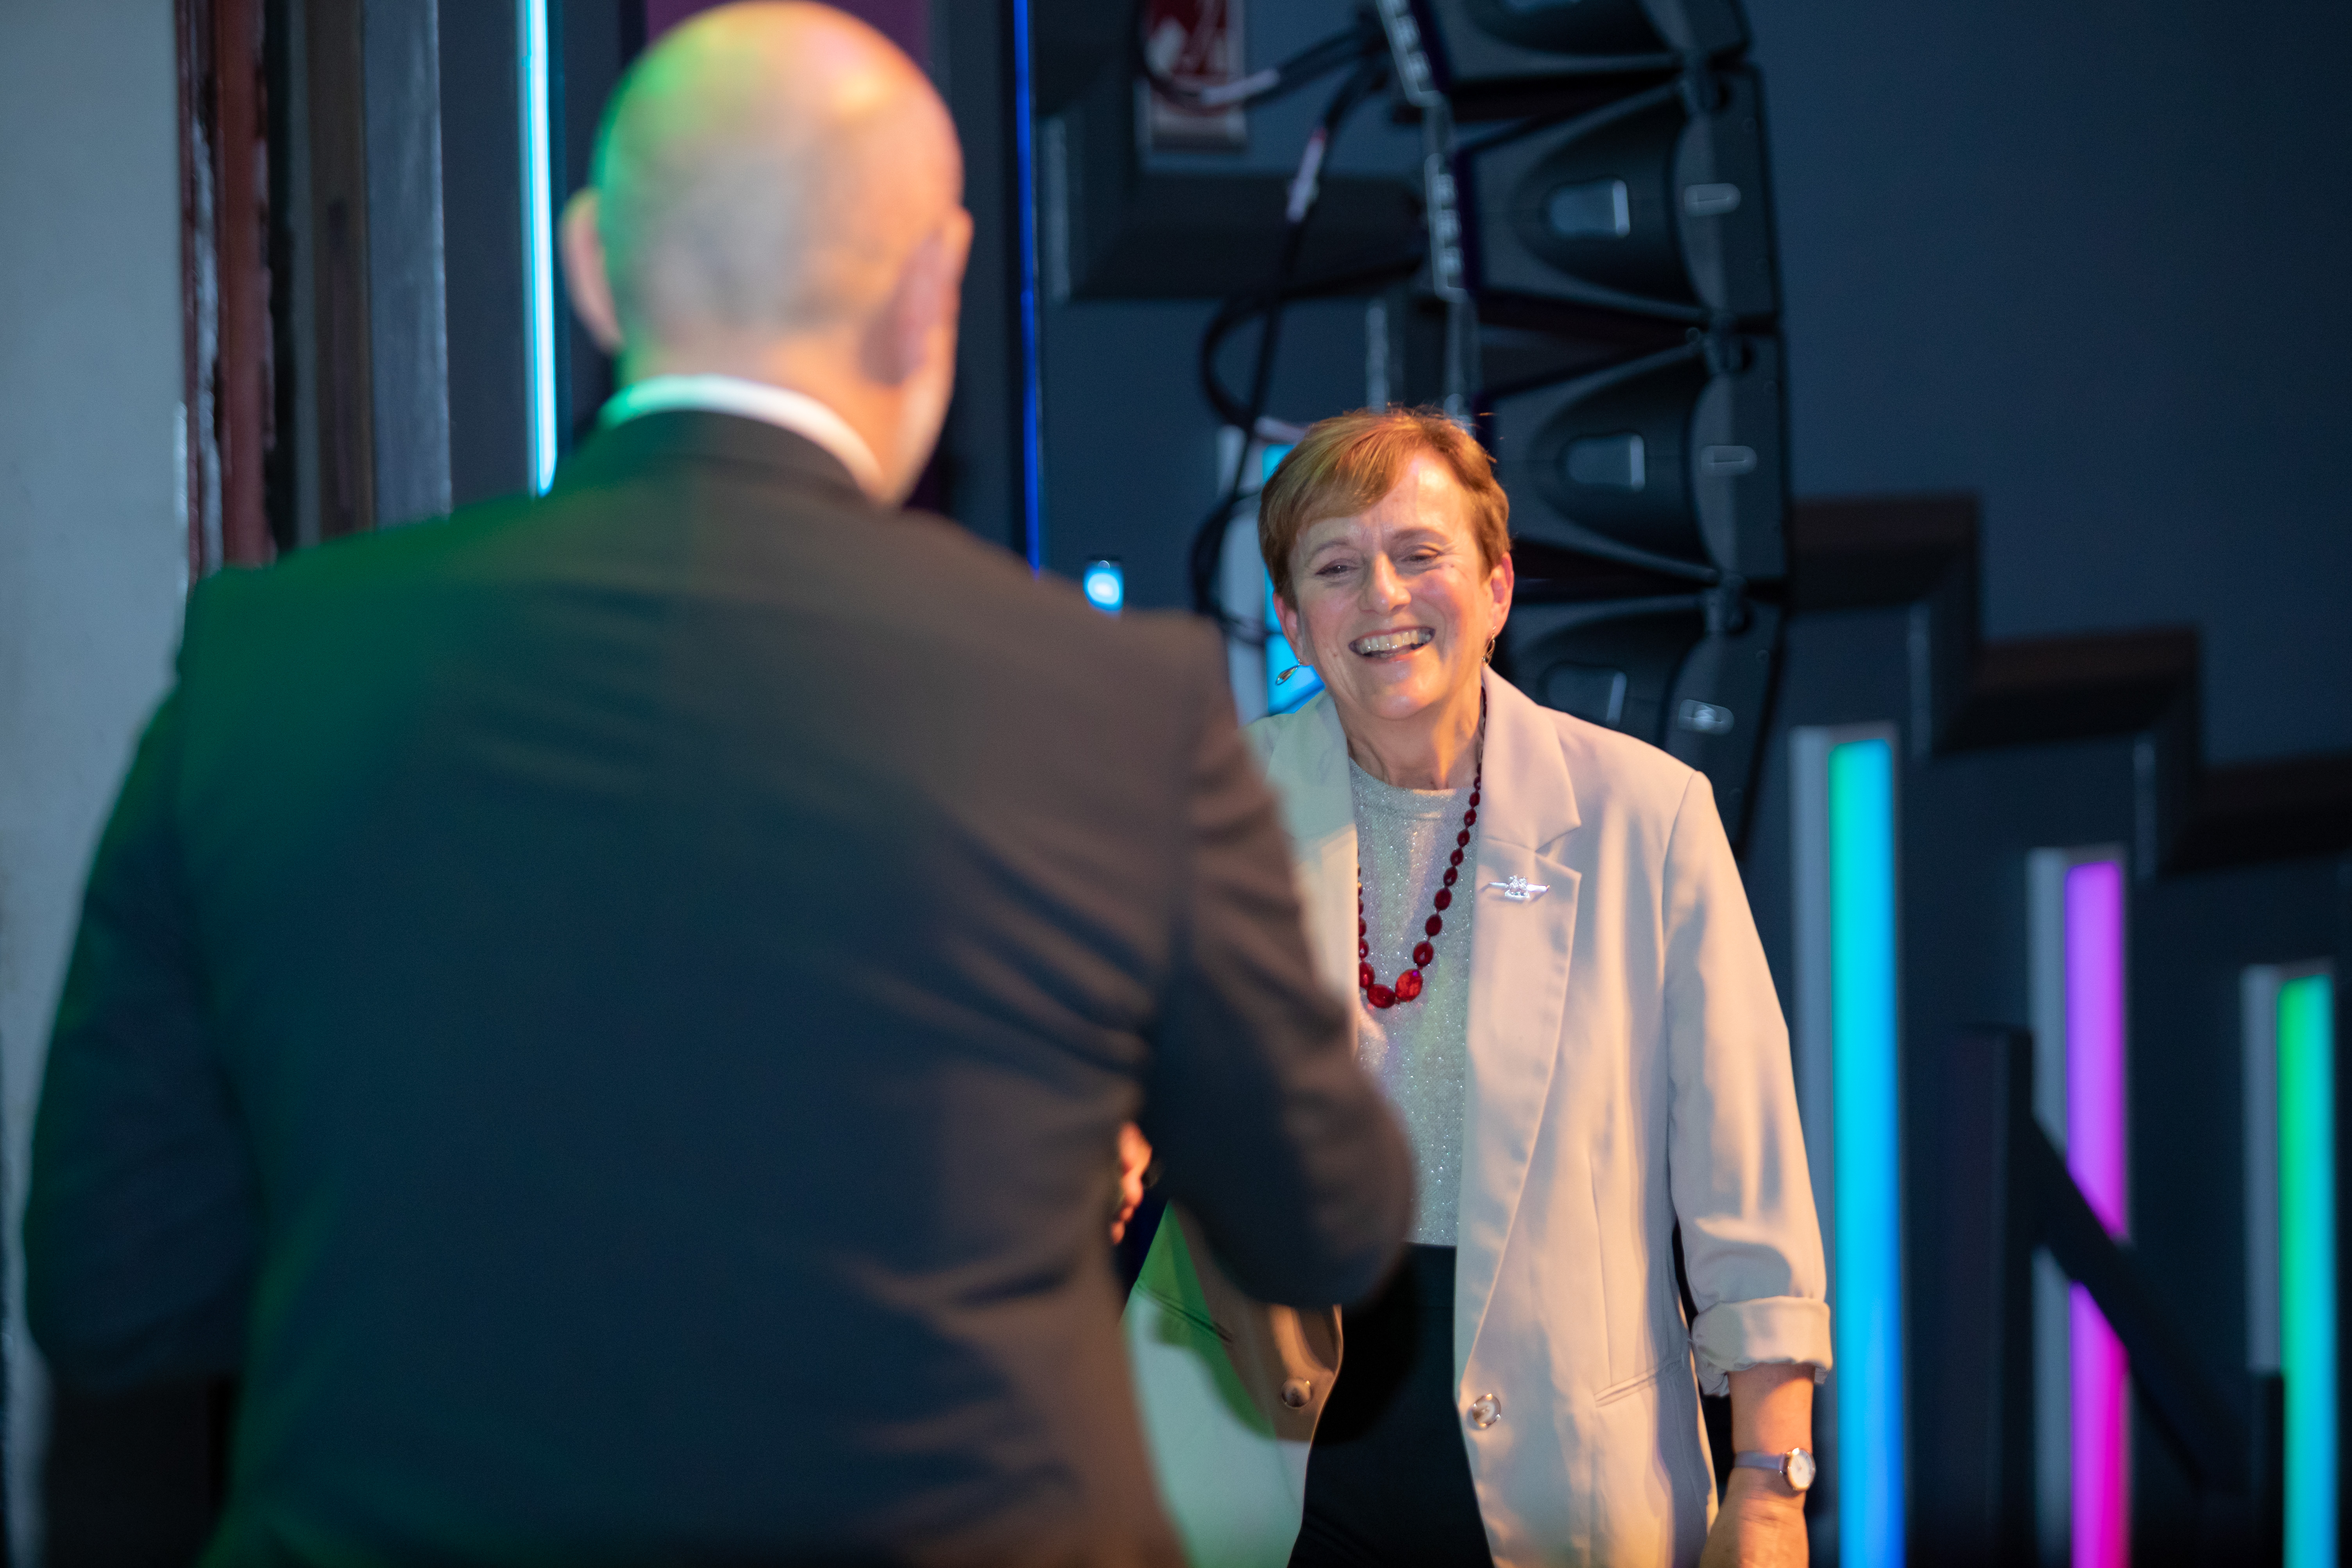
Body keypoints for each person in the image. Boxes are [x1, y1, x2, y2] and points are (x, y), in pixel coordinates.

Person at [24, 7, 1412, 1563]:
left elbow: (115, 1287)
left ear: (591, 268)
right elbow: (1328, 1223)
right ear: (933, 288)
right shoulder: (1114, 707)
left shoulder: (265, 666)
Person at [1123, 409, 1830, 1568]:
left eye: (1420, 554)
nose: (1383, 596)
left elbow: (1742, 1176)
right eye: (1335, 568)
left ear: (1497, 588)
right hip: (1253, 1451)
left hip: (1564, 1457)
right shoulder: (1210, 807)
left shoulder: (1646, 818)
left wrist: (1769, 1478)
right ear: (1292, 621)